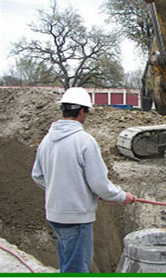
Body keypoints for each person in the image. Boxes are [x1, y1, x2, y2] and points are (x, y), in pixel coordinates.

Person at [31, 87, 137, 273]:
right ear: (82, 111)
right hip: (76, 217)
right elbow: (99, 184)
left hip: (55, 214)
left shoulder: (46, 140)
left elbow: (37, 176)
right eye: (87, 112)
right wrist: (121, 196)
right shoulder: (84, 141)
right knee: (77, 268)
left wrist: (61, 188)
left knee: (67, 261)